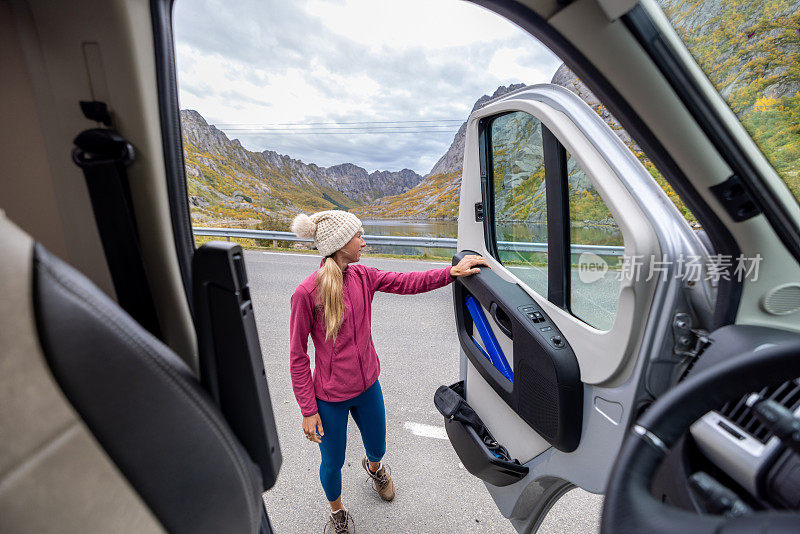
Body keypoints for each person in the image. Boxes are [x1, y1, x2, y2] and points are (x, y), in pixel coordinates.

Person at [288, 210, 488, 534]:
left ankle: (375, 468)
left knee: (378, 446)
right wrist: (308, 410)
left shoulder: (364, 276)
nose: (363, 243)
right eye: (358, 237)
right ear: (341, 245)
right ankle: (337, 510)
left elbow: (406, 282)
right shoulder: (306, 293)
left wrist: (451, 273)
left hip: (368, 386)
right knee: (332, 463)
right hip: (329, 398)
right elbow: (297, 356)